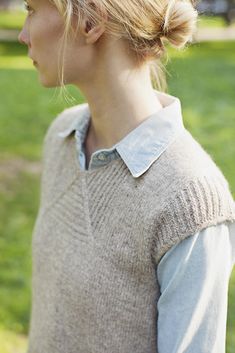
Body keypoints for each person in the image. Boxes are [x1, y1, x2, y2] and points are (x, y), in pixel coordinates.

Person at [18, 0, 235, 352]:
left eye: (30, 9)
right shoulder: (62, 138)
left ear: (90, 24)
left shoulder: (191, 205)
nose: (23, 34)